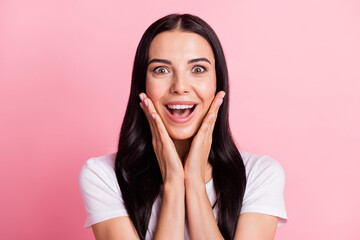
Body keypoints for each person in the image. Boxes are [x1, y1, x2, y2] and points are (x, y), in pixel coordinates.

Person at [78, 13, 287, 240]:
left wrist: (195, 184)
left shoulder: (260, 174)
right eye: (161, 70)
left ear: (218, 83)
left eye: (197, 69)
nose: (180, 86)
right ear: (142, 85)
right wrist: (173, 184)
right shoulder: (103, 176)